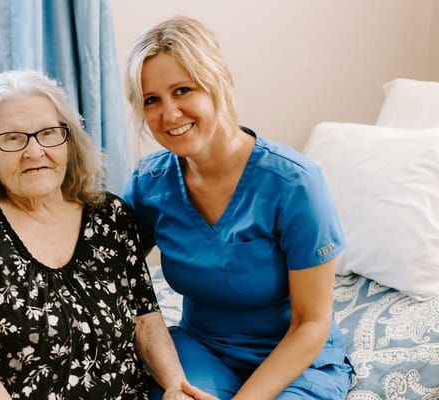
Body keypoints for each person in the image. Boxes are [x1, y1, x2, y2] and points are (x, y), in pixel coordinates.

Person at [0, 70, 215, 400]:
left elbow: (145, 320)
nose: (35, 152)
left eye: (49, 133)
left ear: (69, 142)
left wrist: (176, 387)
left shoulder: (109, 215)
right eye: (12, 138)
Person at [122, 16, 354, 399]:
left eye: (183, 90)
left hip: (294, 359)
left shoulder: (294, 183)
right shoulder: (149, 183)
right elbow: (102, 263)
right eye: (152, 100)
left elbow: (312, 322)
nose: (169, 114)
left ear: (219, 80)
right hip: (203, 349)